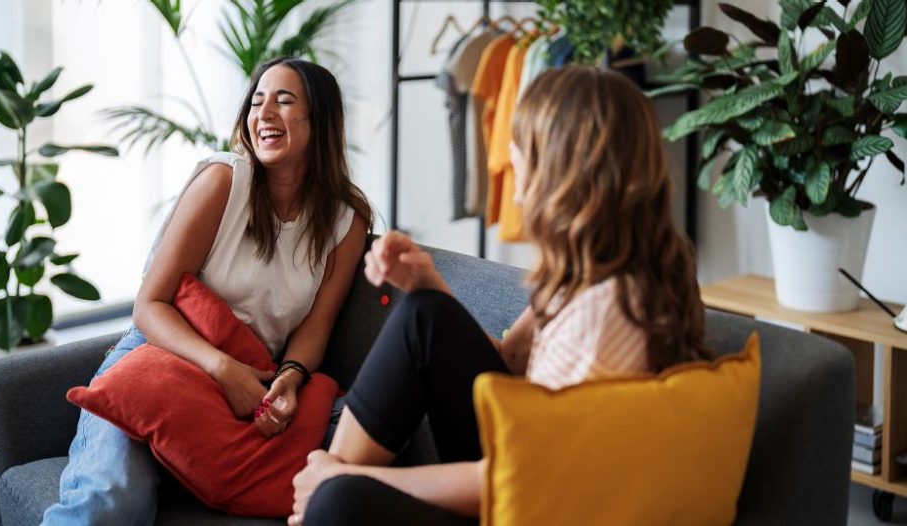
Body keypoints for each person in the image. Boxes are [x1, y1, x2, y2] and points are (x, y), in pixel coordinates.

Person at [287, 66, 712, 526]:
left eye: (521, 148)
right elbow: (510, 362)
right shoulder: (587, 272)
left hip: (537, 503)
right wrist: (429, 284)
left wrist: (347, 483)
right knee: (426, 314)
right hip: (524, 463)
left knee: (339, 501)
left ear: (565, 168)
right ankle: (325, 483)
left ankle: (324, 485)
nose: (507, 159)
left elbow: (527, 480)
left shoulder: (607, 312)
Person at [42, 57, 372, 525]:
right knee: (111, 501)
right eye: (257, 102)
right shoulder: (224, 181)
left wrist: (290, 380)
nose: (264, 114)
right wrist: (223, 369)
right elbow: (149, 306)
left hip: (248, 385)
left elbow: (314, 331)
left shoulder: (346, 221)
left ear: (321, 121)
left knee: (361, 442)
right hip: (160, 359)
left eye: (284, 100)